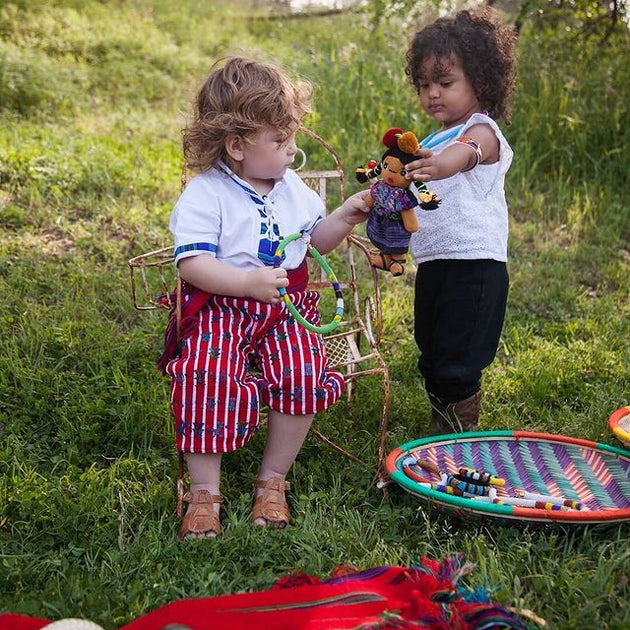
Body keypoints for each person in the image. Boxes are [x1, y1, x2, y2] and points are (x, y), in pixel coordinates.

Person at [162, 56, 370, 540]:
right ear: (236, 146)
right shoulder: (206, 194)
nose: (293, 151)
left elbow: (313, 243)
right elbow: (191, 264)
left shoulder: (290, 187)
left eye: (292, 136)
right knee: (203, 373)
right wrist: (247, 284)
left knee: (301, 371)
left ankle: (272, 479)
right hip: (221, 307)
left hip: (287, 309)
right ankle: (203, 490)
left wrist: (344, 215)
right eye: (280, 141)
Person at [403, 9, 517, 434]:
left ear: (481, 82)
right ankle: (442, 418)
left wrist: (443, 164)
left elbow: (466, 152)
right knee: (430, 348)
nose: (433, 94)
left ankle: (458, 431)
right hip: (435, 262)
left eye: (445, 83)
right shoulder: (430, 140)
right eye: (425, 85)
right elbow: (423, 196)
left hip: (475, 265)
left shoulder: (481, 129)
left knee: (459, 353)